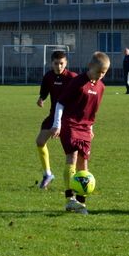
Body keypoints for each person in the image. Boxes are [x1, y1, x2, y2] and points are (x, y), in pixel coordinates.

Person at [50, 51, 110, 214]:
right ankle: (70, 199)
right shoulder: (78, 82)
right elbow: (60, 103)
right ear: (90, 67)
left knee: (84, 164)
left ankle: (81, 202)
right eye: (98, 72)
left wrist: (91, 127)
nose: (100, 76)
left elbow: (92, 111)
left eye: (103, 73)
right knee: (72, 157)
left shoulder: (101, 87)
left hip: (85, 127)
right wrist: (57, 125)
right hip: (69, 124)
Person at [35, 49, 76, 189]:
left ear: (66, 63)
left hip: (69, 118)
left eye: (61, 63)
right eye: (56, 63)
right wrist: (41, 98)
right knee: (40, 141)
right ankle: (48, 174)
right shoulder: (48, 77)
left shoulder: (72, 78)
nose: (59, 66)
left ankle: (77, 180)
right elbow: (45, 90)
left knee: (72, 151)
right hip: (53, 115)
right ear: (51, 63)